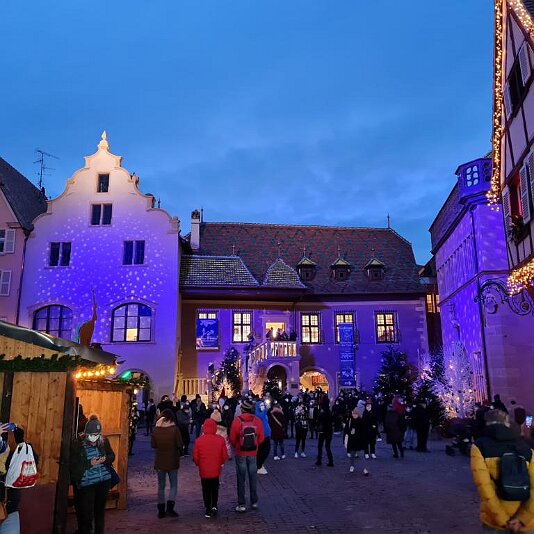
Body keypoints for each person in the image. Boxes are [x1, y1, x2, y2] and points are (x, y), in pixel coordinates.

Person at [471, 409, 534, 533]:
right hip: (526, 523)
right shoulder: (526, 448)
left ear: (487, 423)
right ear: (507, 423)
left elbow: (484, 487)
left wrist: (502, 520)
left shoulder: (480, 446)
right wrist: (522, 519)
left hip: (496, 521)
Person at [70, 415, 115, 534]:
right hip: (87, 483)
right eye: (92, 434)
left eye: (97, 435)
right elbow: (73, 463)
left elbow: (112, 455)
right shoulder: (78, 445)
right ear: (86, 434)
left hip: (103, 481)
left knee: (99, 512)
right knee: (86, 513)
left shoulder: (104, 442)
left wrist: (105, 459)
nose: (94, 437)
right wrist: (89, 463)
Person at [229, 399, 265, 512]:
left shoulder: (237, 421)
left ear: (242, 409)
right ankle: (254, 502)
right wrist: (255, 445)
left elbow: (232, 438)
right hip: (253, 453)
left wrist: (238, 446)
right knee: (253, 478)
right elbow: (261, 438)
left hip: (241, 453)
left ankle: (242, 504)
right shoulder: (257, 420)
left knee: (241, 478)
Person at [193, 418, 229, 518]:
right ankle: (214, 505)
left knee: (206, 489)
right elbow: (224, 455)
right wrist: (221, 463)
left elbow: (196, 456)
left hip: (204, 469)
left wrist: (198, 464)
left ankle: (208, 508)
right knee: (215, 488)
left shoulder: (199, 440)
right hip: (216, 469)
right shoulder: (220, 439)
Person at [151, 409, 183, 519]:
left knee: (161, 486)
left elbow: (153, 445)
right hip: (172, 460)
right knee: (173, 484)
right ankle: (170, 507)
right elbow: (179, 444)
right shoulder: (174, 429)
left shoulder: (156, 430)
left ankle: (161, 510)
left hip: (160, 460)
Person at [344, 408, 368, 475]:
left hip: (360, 441)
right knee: (352, 455)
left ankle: (364, 468)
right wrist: (350, 432)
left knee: (361, 456)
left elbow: (364, 432)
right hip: (352, 441)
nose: (354, 415)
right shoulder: (350, 421)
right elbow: (346, 430)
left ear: (358, 414)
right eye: (353, 414)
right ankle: (352, 466)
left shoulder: (361, 421)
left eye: (356, 414)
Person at [316, 396, 334, 467]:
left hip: (323, 430)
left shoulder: (322, 410)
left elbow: (319, 419)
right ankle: (330, 461)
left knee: (320, 446)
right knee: (327, 446)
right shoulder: (329, 411)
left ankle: (319, 460)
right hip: (329, 430)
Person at [255, 401, 271, 474]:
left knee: (266, 450)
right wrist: (266, 409)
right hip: (261, 436)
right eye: (261, 405)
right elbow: (261, 416)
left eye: (263, 405)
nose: (263, 407)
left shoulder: (265, 414)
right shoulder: (257, 413)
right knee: (261, 451)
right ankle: (259, 466)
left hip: (267, 435)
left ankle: (260, 464)